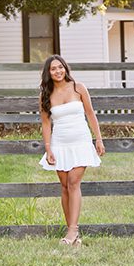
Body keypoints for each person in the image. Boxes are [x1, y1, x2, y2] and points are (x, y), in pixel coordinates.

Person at [38, 54, 106, 245]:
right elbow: (45, 124)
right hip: (59, 143)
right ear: (48, 73)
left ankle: (72, 230)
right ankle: (73, 234)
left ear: (66, 68)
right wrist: (48, 148)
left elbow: (90, 114)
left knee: (74, 182)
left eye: (60, 67)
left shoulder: (79, 88)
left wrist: (98, 139)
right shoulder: (46, 94)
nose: (58, 71)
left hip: (81, 142)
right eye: (53, 69)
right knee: (65, 185)